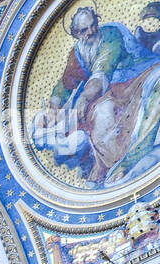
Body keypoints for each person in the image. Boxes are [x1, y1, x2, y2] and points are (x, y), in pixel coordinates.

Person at [32, 8, 160, 187]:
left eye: (94, 26)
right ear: (76, 33)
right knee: (100, 114)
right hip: (114, 89)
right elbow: (66, 82)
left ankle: (132, 157)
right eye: (84, 30)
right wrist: (54, 107)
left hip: (138, 74)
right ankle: (110, 165)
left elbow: (103, 67)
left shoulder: (110, 34)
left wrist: (85, 96)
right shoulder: (77, 52)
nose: (91, 32)